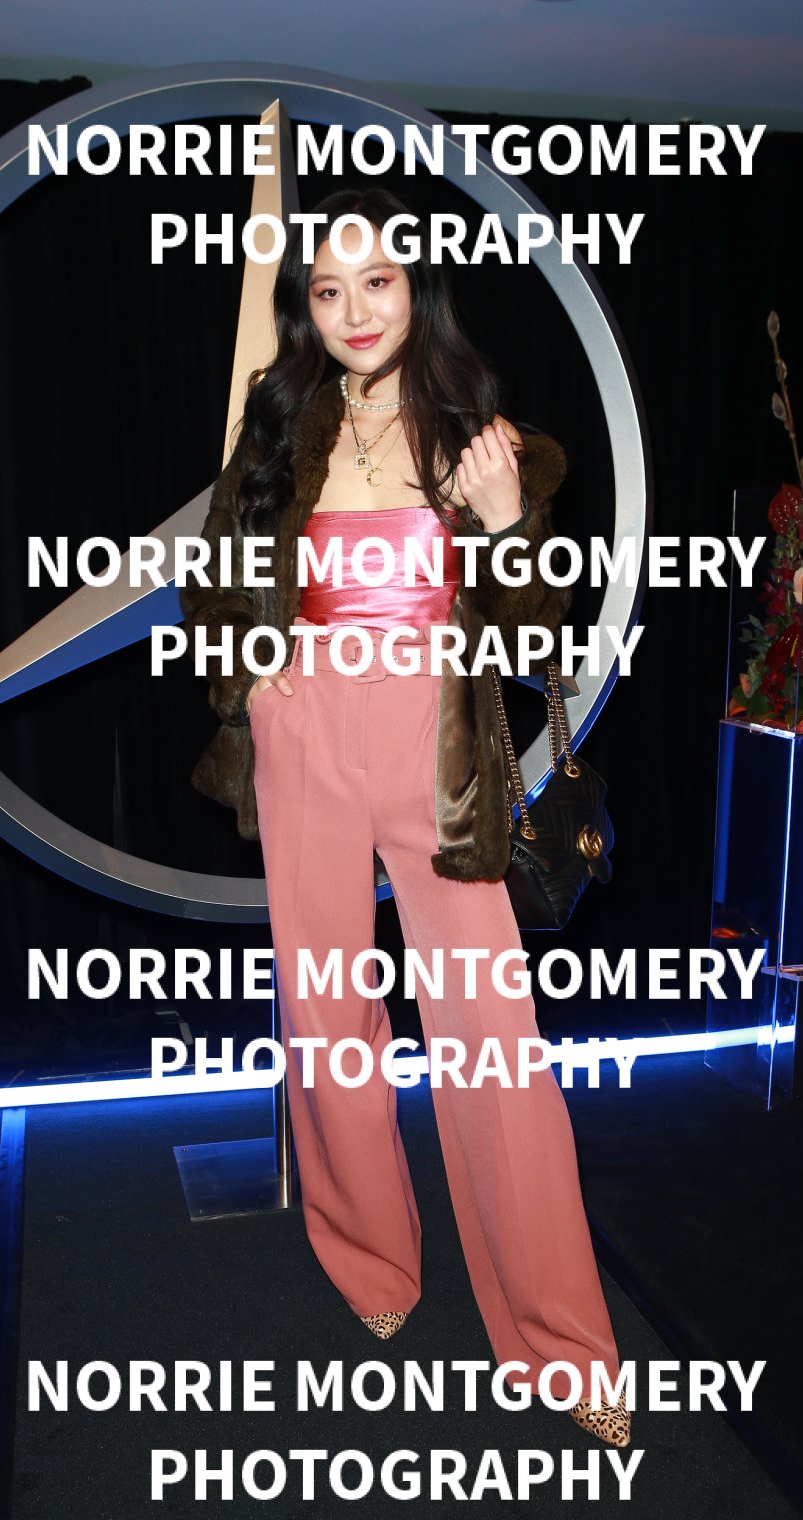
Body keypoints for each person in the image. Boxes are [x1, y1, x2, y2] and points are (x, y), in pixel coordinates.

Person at [180, 187, 630, 1448]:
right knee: (328, 1018)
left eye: (375, 281)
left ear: (416, 287)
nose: (354, 310)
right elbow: (210, 584)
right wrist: (252, 666)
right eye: (327, 291)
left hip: (441, 756)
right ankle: (368, 1255)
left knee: (494, 1040)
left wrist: (506, 521)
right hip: (306, 744)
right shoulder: (278, 429)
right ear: (306, 311)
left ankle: (558, 1337)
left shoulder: (482, 436)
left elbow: (535, 633)